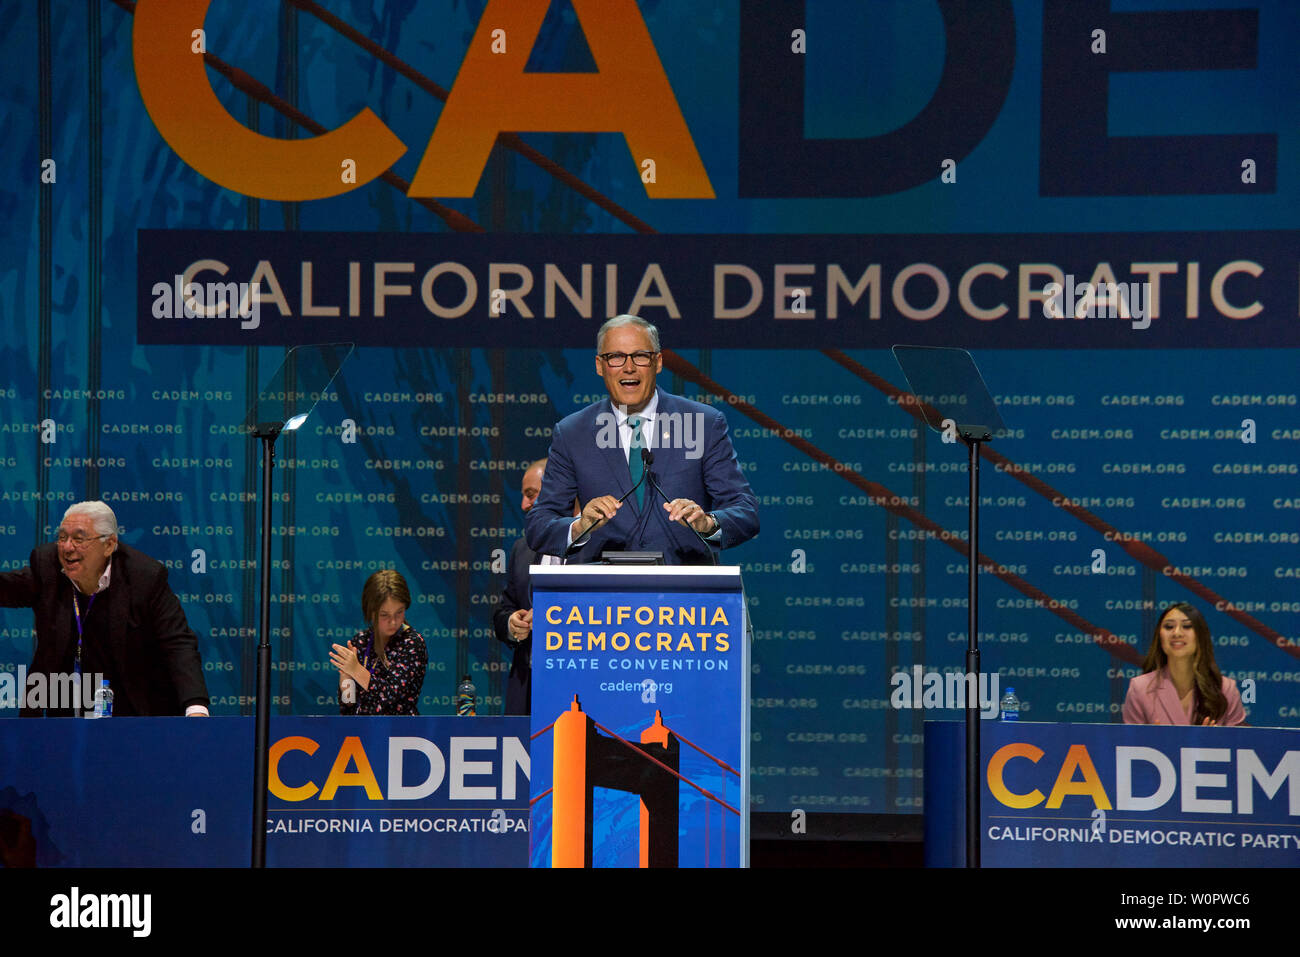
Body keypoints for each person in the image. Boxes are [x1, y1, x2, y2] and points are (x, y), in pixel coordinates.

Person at [525, 314, 759, 565]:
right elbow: (539, 526)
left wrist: (708, 523)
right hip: (601, 597)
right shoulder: (573, 432)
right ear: (599, 365)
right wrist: (580, 526)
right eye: (615, 357)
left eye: (640, 356)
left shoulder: (703, 424)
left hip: (684, 596)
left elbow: (745, 513)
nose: (629, 367)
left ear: (657, 362)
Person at [0, 501, 209, 716]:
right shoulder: (48, 565)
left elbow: (177, 642)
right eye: (62, 538)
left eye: (79, 539)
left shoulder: (144, 577)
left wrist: (195, 706)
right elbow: (10, 588)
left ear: (109, 545)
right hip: (66, 707)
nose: (67, 547)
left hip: (132, 709)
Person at [492, 458, 565, 715]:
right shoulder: (522, 549)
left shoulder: (593, 544)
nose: (524, 504)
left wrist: (552, 615)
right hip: (527, 687)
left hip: (576, 687)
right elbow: (503, 610)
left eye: (531, 494)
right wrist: (512, 622)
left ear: (556, 490)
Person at [1122, 603, 1245, 726]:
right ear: (1159, 637)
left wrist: (1213, 741)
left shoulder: (1225, 689)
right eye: (1169, 627)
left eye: (1187, 626)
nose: (1177, 633)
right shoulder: (1140, 688)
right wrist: (1152, 740)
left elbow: (1240, 742)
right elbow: (1129, 742)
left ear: (1200, 636)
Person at [331, 569, 427, 715]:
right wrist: (346, 676)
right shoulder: (361, 640)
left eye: (399, 612)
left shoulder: (412, 643)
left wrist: (356, 670)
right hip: (362, 731)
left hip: (399, 732)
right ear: (371, 611)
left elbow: (389, 694)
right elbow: (348, 703)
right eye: (384, 615)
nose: (393, 621)